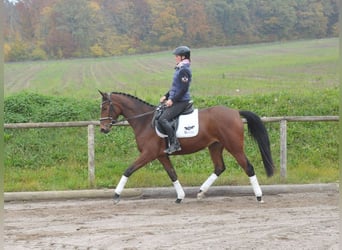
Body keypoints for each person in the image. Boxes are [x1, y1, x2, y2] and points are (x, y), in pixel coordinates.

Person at [158, 45, 192, 154]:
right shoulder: (180, 68)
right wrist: (166, 96)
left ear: (183, 57)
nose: (175, 57)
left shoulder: (184, 70)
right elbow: (175, 87)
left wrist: (172, 100)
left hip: (182, 101)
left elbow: (183, 89)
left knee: (163, 119)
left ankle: (175, 144)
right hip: (176, 99)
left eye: (177, 56)